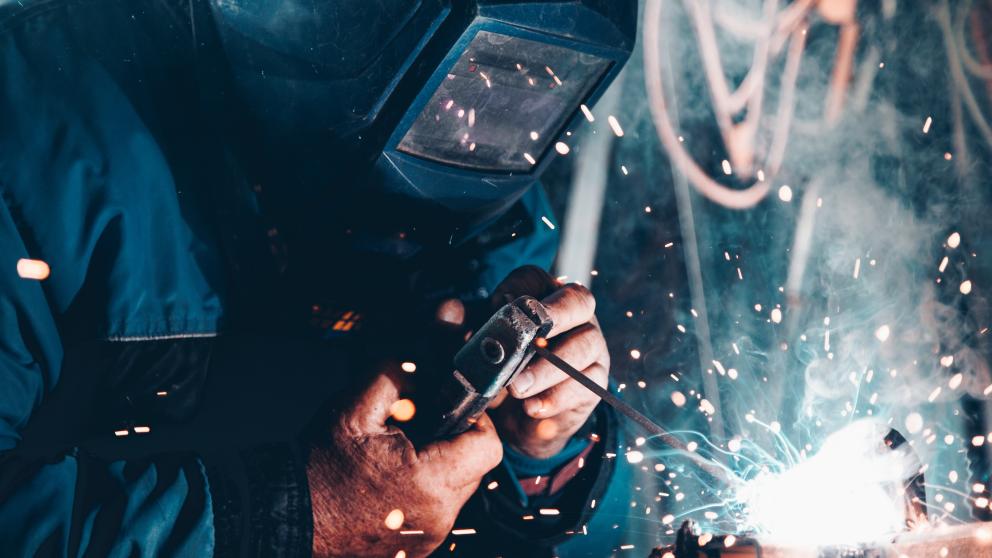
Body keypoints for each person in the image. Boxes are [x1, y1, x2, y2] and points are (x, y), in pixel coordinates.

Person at [0, 1, 637, 556]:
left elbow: (577, 538)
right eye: (462, 83)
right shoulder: (37, 133)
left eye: (520, 88)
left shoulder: (492, 206)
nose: (473, 115)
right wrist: (288, 524)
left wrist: (543, 452)